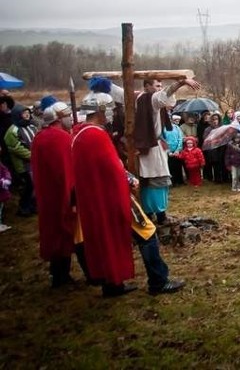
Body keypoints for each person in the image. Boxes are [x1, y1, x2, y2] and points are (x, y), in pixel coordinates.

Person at [72, 89, 184, 297]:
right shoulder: (96, 136)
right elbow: (113, 168)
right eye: (108, 111)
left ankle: (112, 285)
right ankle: (158, 281)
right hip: (113, 198)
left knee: (107, 239)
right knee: (147, 233)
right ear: (100, 111)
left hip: (95, 201)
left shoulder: (78, 134)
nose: (110, 115)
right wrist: (129, 181)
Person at [30, 99, 89, 287]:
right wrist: (74, 198)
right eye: (66, 116)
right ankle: (89, 274)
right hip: (62, 195)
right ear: (58, 118)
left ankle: (59, 275)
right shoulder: (60, 138)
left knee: (57, 234)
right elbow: (67, 172)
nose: (70, 120)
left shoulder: (40, 137)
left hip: (47, 195)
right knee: (73, 233)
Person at [133, 77, 200, 223]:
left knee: (157, 179)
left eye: (160, 85)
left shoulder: (145, 98)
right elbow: (165, 94)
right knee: (153, 180)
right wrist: (180, 83)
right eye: (156, 85)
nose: (159, 88)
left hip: (155, 144)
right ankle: (155, 214)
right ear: (147, 87)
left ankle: (157, 213)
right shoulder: (148, 99)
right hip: (150, 147)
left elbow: (167, 97)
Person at [4, 104, 37, 216]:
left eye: (28, 112)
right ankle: (23, 207)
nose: (27, 115)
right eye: (24, 113)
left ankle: (32, 206)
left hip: (34, 163)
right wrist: (33, 156)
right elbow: (16, 148)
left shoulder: (32, 126)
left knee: (35, 185)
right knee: (28, 186)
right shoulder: (12, 131)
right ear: (18, 115)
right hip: (23, 165)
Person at [163, 114, 185, 185]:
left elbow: (180, 139)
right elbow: (163, 140)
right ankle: (173, 182)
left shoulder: (177, 128)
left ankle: (180, 181)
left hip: (177, 151)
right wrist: (168, 151)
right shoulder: (163, 129)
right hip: (168, 151)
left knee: (178, 166)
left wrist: (177, 150)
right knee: (170, 166)